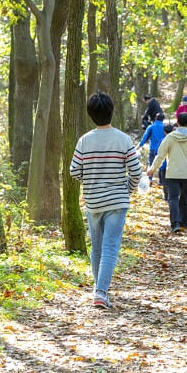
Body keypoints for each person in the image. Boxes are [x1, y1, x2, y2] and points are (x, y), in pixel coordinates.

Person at [69, 92, 142, 309]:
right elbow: (136, 172)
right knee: (110, 247)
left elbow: (74, 171)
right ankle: (101, 292)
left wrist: (89, 182)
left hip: (93, 202)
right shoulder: (123, 139)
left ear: (90, 114)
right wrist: (126, 190)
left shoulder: (84, 140)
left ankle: (98, 290)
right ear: (111, 111)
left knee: (97, 248)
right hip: (117, 202)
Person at [147, 112, 187, 234]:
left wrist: (152, 169)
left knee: (173, 198)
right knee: (184, 199)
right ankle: (184, 223)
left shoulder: (169, 138)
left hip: (172, 173)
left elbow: (160, 155)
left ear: (177, 122)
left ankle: (175, 223)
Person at [137, 112, 165, 176]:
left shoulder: (151, 127)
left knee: (151, 163)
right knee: (162, 164)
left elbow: (145, 137)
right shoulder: (165, 127)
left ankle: (149, 179)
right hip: (162, 148)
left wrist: (139, 146)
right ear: (163, 119)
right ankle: (161, 181)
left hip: (153, 148)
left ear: (155, 118)